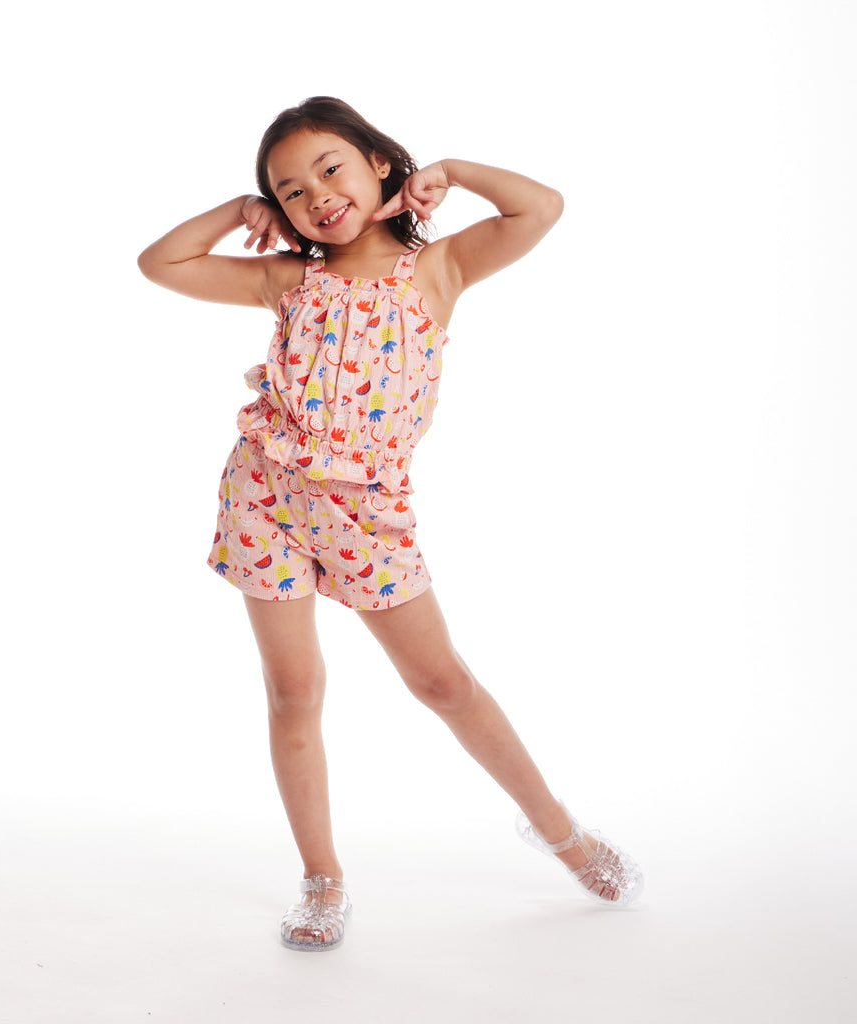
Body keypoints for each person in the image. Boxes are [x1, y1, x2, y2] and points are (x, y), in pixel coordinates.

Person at [138, 97, 643, 950]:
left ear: (378, 162)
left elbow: (540, 208)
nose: (317, 197)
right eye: (291, 191)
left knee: (443, 684)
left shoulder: (437, 270)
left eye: (330, 168)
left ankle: (563, 834)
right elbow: (161, 263)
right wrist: (237, 210)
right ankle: (321, 879)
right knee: (294, 692)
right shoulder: (287, 279)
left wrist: (455, 172)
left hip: (367, 516)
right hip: (266, 498)